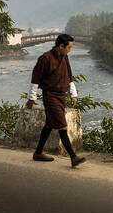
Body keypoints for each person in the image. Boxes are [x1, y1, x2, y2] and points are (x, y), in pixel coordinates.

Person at [26, 34, 86, 167]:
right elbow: (35, 78)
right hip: (50, 95)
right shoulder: (45, 58)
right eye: (69, 47)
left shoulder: (65, 57)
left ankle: (38, 153)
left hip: (61, 95)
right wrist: (31, 98)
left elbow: (69, 76)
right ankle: (73, 157)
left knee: (49, 125)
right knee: (62, 125)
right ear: (61, 46)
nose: (70, 50)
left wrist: (73, 94)